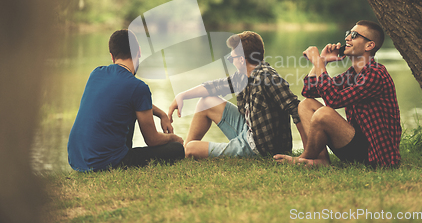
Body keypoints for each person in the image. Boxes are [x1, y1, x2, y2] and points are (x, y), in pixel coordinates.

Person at [274, 20, 401, 167]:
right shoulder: (353, 73)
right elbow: (309, 91)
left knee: (324, 113)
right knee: (306, 104)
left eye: (354, 35)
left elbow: (333, 101)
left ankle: (304, 157)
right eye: (348, 34)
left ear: (369, 45)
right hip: (357, 145)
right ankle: (320, 160)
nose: (347, 38)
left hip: (377, 155)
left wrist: (318, 63)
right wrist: (323, 61)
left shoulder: (375, 74)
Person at [168, 31, 305, 159]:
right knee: (206, 102)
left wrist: (307, 152)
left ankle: (186, 151)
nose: (231, 61)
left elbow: (296, 109)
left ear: (241, 59)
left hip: (260, 148)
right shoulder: (244, 75)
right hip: (249, 129)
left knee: (193, 148)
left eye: (231, 58)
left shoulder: (267, 78)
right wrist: (182, 95)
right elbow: (214, 86)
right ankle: (183, 152)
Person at [67, 30, 184, 172]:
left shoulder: (96, 73)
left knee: (126, 108)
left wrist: (161, 114)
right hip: (105, 163)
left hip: (77, 159)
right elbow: (152, 140)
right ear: (139, 52)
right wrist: (173, 138)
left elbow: (126, 99)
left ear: (112, 56)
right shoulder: (138, 87)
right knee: (177, 149)